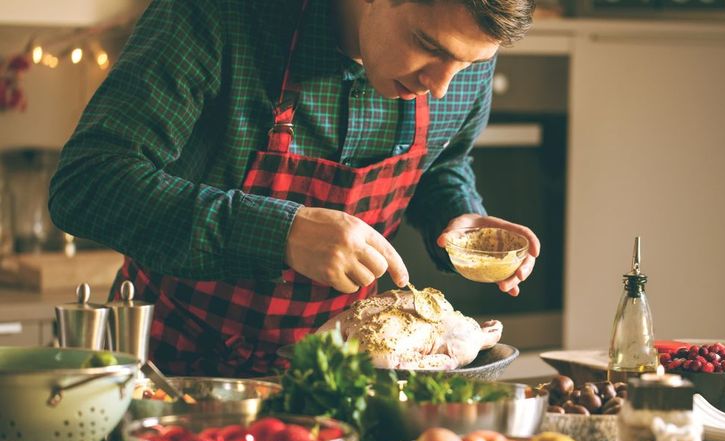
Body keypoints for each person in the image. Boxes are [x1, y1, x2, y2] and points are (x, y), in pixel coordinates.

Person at [49, 0, 540, 377]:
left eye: (469, 64)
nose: (442, 86)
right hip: (171, 367)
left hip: (336, 380)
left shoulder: (459, 59)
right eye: (429, 46)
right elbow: (88, 181)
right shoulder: (218, 15)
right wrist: (279, 233)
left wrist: (457, 214)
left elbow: (442, 164)